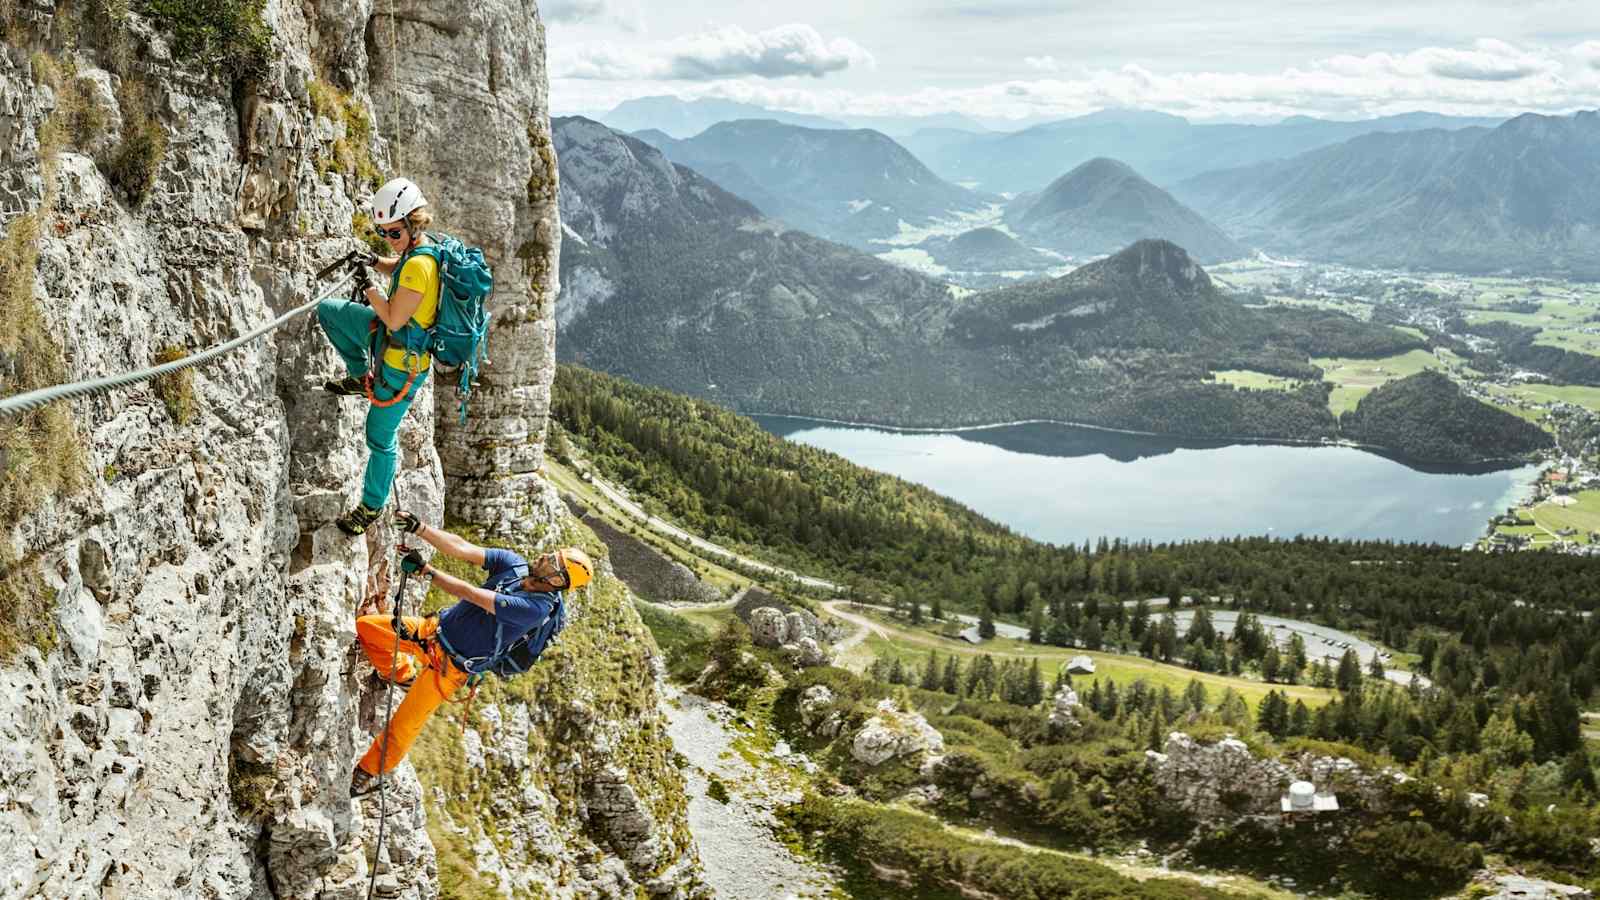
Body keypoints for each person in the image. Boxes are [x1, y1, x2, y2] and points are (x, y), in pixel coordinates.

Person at [350, 510, 594, 796]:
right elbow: (462, 548)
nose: (545, 556)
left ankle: (371, 772)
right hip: (431, 632)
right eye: (552, 553)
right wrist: (421, 528)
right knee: (367, 628)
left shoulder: (535, 610)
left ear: (556, 580)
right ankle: (402, 675)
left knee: (404, 724)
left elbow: (472, 594)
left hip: (451, 667)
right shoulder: (515, 566)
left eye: (553, 561)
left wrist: (427, 572)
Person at [318, 177, 440, 535]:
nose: (389, 239)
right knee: (331, 313)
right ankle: (359, 376)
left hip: (401, 367)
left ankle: (371, 506)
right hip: (390, 342)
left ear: (413, 225)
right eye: (383, 233)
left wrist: (368, 286)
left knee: (379, 439)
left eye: (394, 233)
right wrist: (374, 261)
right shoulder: (419, 252)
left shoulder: (420, 266)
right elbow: (400, 266)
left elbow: (392, 315)